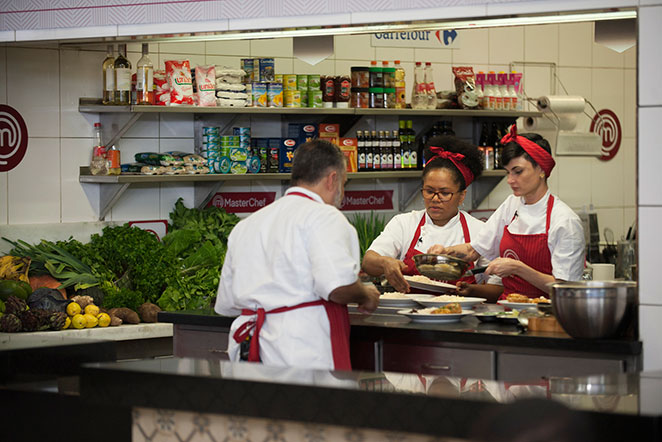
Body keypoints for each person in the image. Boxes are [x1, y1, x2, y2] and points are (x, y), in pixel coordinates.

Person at [215, 139, 380, 371]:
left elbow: (226, 305)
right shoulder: (324, 217)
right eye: (344, 182)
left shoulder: (247, 224)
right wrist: (365, 294)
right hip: (300, 348)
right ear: (332, 179)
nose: (343, 192)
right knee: (309, 407)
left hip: (247, 346)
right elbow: (337, 287)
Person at [430, 126, 585, 301]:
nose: (510, 180)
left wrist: (518, 268)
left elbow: (567, 289)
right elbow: (474, 250)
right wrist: (445, 251)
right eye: (508, 172)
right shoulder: (511, 205)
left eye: (518, 172)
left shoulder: (565, 221)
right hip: (507, 311)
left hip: (546, 315)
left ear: (542, 169)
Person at [362, 135, 491, 293]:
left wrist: (472, 290)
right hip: (409, 312)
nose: (435, 199)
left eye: (444, 193)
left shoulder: (479, 230)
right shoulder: (404, 223)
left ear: (462, 195)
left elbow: (496, 287)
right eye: (429, 191)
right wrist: (385, 262)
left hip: (462, 310)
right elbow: (368, 262)